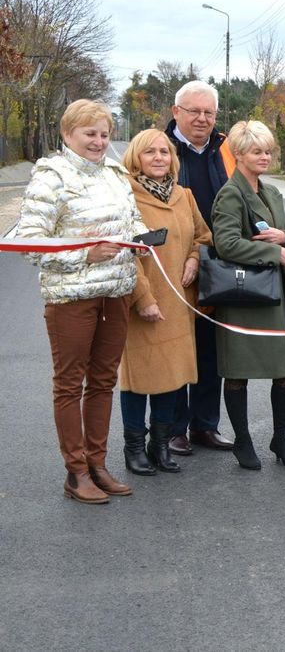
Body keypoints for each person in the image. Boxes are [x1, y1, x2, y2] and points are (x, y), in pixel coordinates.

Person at [15, 99, 148, 503]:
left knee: (105, 381)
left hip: (116, 291)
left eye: (104, 133)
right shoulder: (50, 175)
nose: (98, 141)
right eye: (90, 133)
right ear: (68, 134)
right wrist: (83, 254)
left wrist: (140, 239)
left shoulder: (114, 172)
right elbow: (29, 241)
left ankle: (97, 464)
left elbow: (131, 218)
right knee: (70, 383)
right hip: (71, 297)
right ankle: (75, 473)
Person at [119, 129, 212, 476]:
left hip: (178, 304)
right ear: (135, 158)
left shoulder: (184, 196)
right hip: (142, 304)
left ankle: (160, 445)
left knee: (171, 377)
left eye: (164, 152)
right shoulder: (125, 196)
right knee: (138, 379)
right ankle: (133, 448)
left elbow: (203, 235)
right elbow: (124, 254)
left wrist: (193, 259)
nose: (159, 157)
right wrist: (142, 298)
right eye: (150, 152)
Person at [211, 120, 285, 470]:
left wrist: (283, 239)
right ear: (238, 155)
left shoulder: (273, 192)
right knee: (238, 372)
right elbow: (226, 243)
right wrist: (272, 253)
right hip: (244, 298)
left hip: (276, 294)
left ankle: (280, 439)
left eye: (268, 151)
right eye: (256, 151)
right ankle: (243, 442)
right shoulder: (230, 194)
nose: (265, 156)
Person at [164, 80, 235, 455]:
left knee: (211, 349)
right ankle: (172, 427)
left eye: (208, 112)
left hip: (217, 264)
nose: (202, 118)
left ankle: (204, 426)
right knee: (176, 349)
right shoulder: (160, 149)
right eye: (194, 111)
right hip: (174, 266)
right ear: (177, 112)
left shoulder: (226, 150)